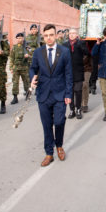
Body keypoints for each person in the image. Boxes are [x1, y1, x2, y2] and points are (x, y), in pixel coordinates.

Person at [29, 24, 73, 167]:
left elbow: (68, 74)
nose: (49, 38)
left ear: (56, 36)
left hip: (60, 94)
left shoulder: (64, 52)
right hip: (43, 94)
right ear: (43, 37)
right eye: (46, 35)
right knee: (46, 125)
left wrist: (68, 93)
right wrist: (32, 78)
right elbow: (33, 69)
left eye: (51, 35)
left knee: (59, 121)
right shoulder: (38, 52)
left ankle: (59, 145)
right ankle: (49, 153)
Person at [63, 28, 90, 119]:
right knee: (70, 92)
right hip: (68, 72)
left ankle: (78, 109)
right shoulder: (65, 44)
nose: (71, 35)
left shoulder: (81, 43)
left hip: (78, 71)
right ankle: (72, 110)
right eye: (70, 33)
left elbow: (87, 53)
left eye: (73, 33)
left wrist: (81, 45)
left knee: (78, 91)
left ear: (77, 35)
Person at [9, 32, 31, 104]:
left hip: (24, 67)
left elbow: (32, 57)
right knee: (15, 83)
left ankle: (27, 94)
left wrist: (28, 56)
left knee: (26, 82)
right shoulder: (14, 48)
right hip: (16, 68)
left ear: (23, 38)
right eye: (18, 38)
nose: (19, 39)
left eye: (20, 38)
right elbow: (11, 58)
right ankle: (15, 97)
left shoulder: (27, 47)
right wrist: (11, 67)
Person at [81, 38, 93, 113]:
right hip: (77, 69)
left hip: (87, 68)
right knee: (78, 86)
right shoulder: (75, 45)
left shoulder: (89, 43)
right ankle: (79, 103)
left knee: (85, 84)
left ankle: (85, 104)